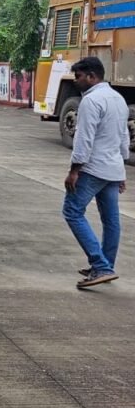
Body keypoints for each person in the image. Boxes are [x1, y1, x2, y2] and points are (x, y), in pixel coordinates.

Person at [62, 56, 130, 289]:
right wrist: (121, 171)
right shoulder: (118, 99)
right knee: (111, 220)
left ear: (92, 76)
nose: (76, 81)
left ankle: (101, 266)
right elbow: (124, 137)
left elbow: (84, 139)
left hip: (92, 168)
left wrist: (74, 170)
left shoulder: (91, 101)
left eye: (79, 76)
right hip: (112, 168)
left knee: (72, 212)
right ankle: (105, 266)